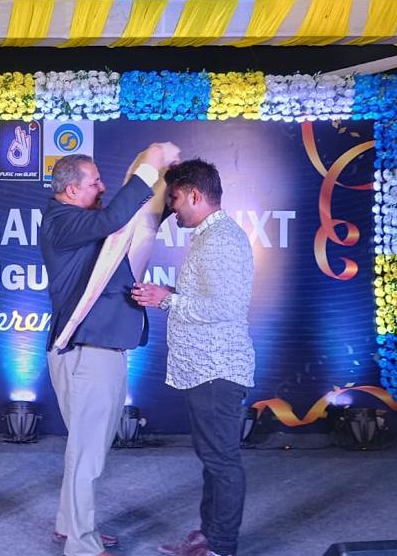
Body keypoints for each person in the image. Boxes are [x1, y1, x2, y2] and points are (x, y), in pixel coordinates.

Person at [40, 145, 179, 556]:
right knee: (88, 453)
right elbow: (115, 217)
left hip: (97, 350)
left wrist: (166, 187)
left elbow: (132, 223)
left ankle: (70, 526)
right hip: (89, 351)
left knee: (86, 448)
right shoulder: (63, 220)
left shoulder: (84, 223)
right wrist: (151, 162)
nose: (103, 187)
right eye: (95, 182)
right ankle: (82, 544)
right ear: (70, 190)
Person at [131, 160, 256, 556]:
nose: (171, 208)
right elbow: (208, 297)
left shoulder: (220, 239)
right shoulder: (210, 236)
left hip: (217, 368)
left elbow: (224, 307)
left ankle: (221, 546)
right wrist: (170, 293)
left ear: (194, 195)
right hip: (206, 368)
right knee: (212, 458)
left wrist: (166, 299)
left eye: (174, 199)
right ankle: (209, 536)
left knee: (222, 460)